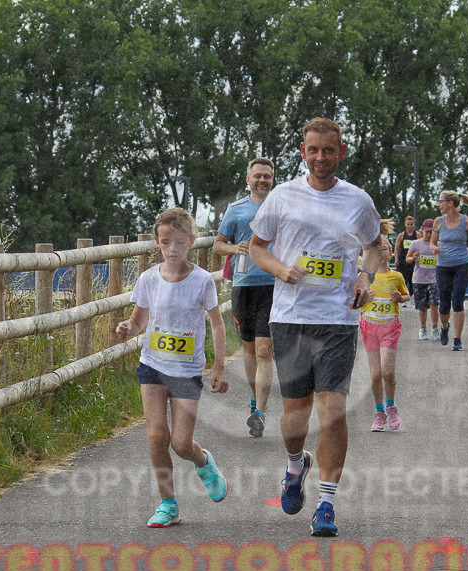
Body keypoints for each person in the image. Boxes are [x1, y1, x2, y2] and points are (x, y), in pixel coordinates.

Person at [249, 117, 382, 537]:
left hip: (338, 320)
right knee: (295, 416)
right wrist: (280, 269)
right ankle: (295, 464)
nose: (321, 157)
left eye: (329, 150)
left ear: (340, 152)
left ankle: (325, 504)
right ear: (303, 152)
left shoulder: (358, 200)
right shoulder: (283, 196)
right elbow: (256, 247)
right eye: (313, 150)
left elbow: (375, 247)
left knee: (333, 411)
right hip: (290, 318)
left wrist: (366, 277)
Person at [115, 207, 230, 528]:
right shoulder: (148, 279)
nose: (173, 249)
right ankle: (168, 504)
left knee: (180, 443)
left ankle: (204, 462)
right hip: (152, 366)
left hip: (186, 372)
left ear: (191, 241)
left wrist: (218, 367)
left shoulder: (203, 280)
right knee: (156, 437)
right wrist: (128, 327)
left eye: (180, 242)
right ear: (158, 243)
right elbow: (139, 320)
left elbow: (217, 325)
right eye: (166, 242)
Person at [213, 157, 276, 437]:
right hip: (244, 285)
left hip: (273, 285)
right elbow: (218, 244)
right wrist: (234, 249)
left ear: (273, 180)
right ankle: (255, 400)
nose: (262, 180)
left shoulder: (281, 206)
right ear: (248, 180)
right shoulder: (236, 209)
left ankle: (260, 411)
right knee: (249, 350)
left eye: (267, 176)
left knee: (265, 350)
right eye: (258, 176)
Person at [362, 226, 409, 431]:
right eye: (377, 249)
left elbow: (406, 295)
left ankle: (391, 407)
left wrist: (400, 298)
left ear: (390, 252)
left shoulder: (396, 276)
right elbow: (354, 299)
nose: (381, 253)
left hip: (390, 327)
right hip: (369, 326)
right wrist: (365, 296)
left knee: (388, 372)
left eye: (385, 249)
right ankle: (379, 412)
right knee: (375, 375)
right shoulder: (365, 276)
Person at [431, 190, 468, 350]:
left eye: (441, 201)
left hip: (462, 265)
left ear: (450, 203)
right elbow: (432, 243)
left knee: (458, 301)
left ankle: (457, 339)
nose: (438, 204)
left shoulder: (467, 222)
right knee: (444, 305)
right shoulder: (438, 222)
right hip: (443, 266)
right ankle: (445, 327)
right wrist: (434, 248)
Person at [405, 218, 442, 341]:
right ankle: (423, 328)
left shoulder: (438, 245)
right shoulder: (415, 244)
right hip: (419, 279)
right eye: (427, 231)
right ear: (422, 230)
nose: (429, 234)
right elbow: (407, 259)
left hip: (434, 279)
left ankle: (435, 328)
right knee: (422, 307)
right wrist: (413, 257)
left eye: (431, 231)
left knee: (434, 304)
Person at [392, 215, 418, 305]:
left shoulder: (417, 235)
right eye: (408, 224)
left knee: (413, 279)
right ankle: (403, 298)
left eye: (411, 224)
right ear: (405, 224)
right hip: (403, 261)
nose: (409, 226)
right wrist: (396, 260)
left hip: (413, 261)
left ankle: (412, 296)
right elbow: (396, 248)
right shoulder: (401, 235)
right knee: (403, 279)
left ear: (413, 225)